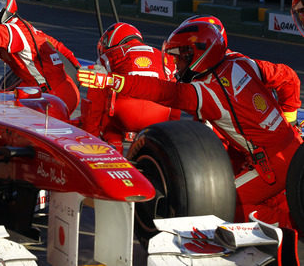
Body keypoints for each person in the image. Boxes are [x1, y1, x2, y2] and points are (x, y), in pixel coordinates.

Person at [77, 20, 303, 228]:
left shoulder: (206, 92)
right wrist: (287, 118)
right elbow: (289, 77)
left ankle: (289, 231)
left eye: (180, 57)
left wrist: (113, 81)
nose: (176, 65)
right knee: (273, 198)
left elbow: (160, 90)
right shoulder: (243, 62)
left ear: (197, 55)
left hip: (272, 165)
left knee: (223, 207)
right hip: (295, 145)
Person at [81, 22, 180, 153]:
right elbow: (175, 90)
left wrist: (90, 132)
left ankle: (113, 145)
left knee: (99, 82)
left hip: (124, 111)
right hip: (159, 113)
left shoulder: (109, 56)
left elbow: (96, 99)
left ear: (111, 40)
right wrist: (172, 129)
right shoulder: (162, 56)